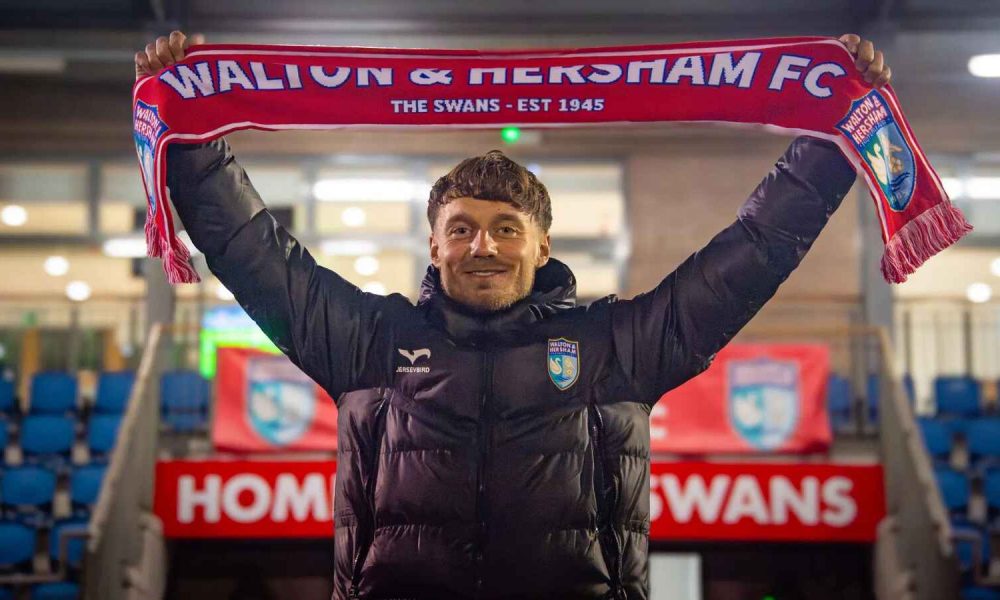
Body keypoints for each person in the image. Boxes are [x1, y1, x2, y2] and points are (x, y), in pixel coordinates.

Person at [137, 31, 891, 600]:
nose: (484, 246)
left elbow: (750, 257)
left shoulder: (613, 348)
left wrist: (829, 144)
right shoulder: (370, 342)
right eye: (461, 229)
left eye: (506, 228)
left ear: (541, 245)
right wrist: (193, 142)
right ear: (434, 246)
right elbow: (253, 254)